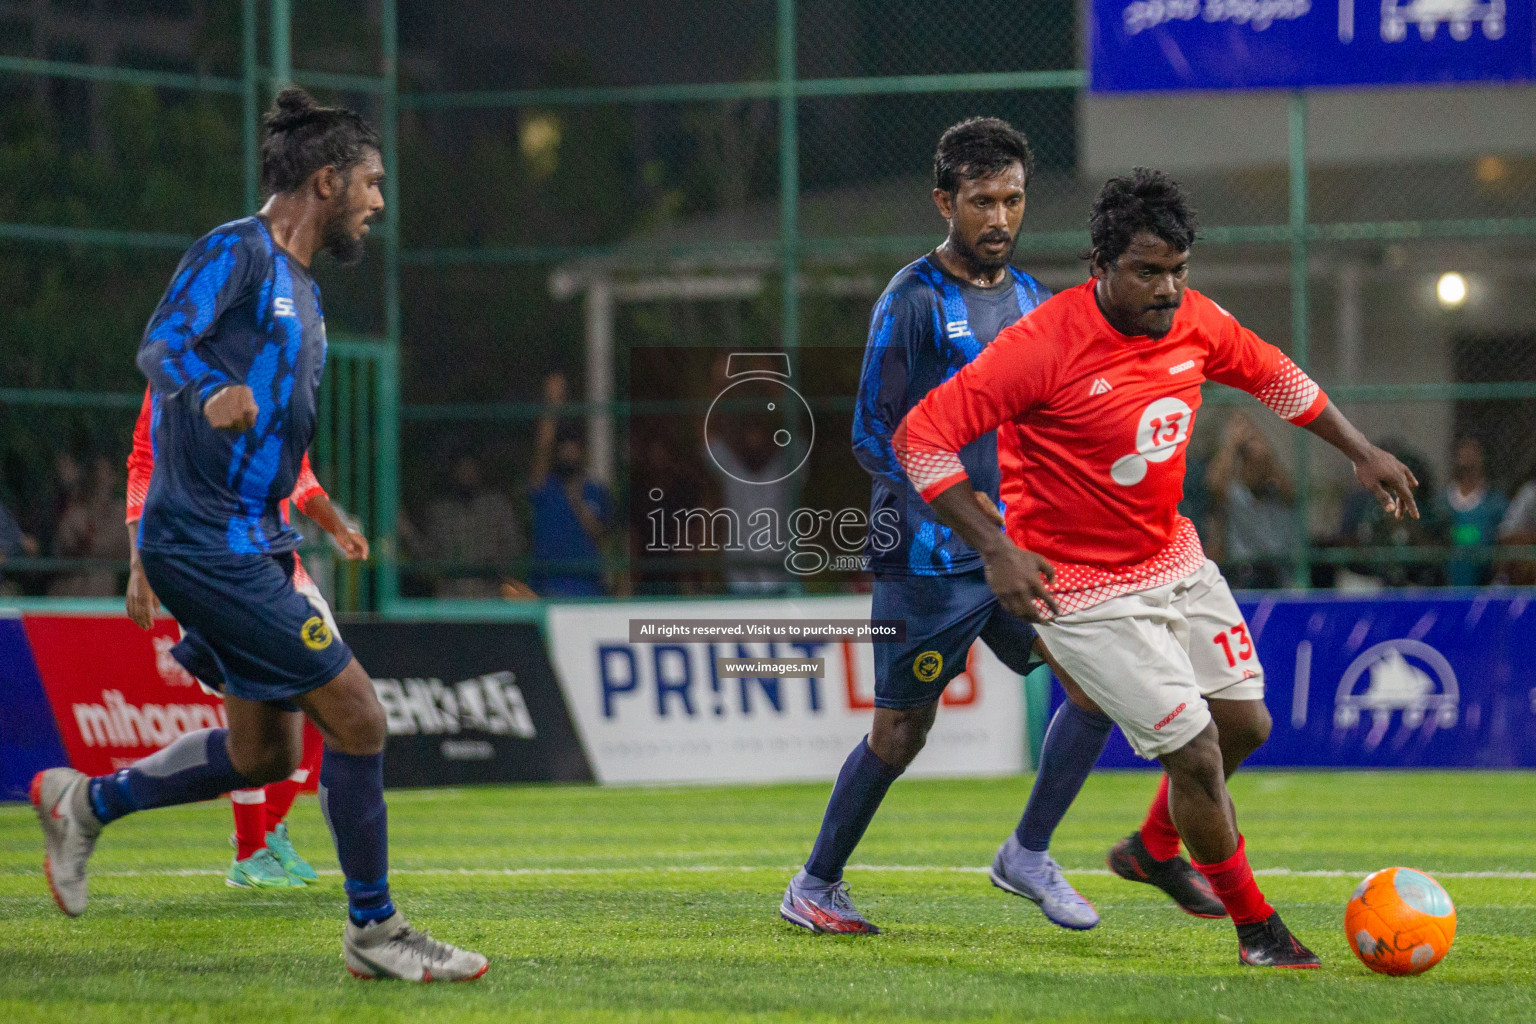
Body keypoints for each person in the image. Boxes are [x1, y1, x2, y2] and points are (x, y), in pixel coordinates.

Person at [893, 168, 1418, 967]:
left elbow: (1279, 380)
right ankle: (1259, 931)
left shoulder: (1196, 320)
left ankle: (1149, 850)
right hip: (1076, 588)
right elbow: (921, 438)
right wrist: (995, 545)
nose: (1168, 287)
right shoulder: (1039, 346)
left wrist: (1362, 450)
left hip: (1170, 554)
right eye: (1148, 270)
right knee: (1198, 752)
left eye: (1178, 269)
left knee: (1247, 725)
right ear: (1100, 264)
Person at [30, 88, 486, 982]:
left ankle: (85, 804)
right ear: (327, 181)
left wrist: (308, 508)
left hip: (255, 541)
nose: (379, 203)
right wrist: (207, 392)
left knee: (263, 754)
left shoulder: (303, 287)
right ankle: (374, 931)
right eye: (371, 183)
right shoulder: (237, 250)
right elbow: (163, 342)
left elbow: (279, 432)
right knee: (359, 717)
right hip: (203, 543)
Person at [780, 120, 1217, 937]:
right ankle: (815, 883)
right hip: (925, 559)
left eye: (1013, 199)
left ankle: (1028, 852)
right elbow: (872, 434)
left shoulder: (1035, 302)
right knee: (901, 733)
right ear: (945, 201)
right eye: (982, 200)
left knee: (1093, 683)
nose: (1000, 218)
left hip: (1019, 555)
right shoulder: (911, 300)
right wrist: (960, 510)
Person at [124, 383, 368, 889]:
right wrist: (139, 564)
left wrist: (334, 525)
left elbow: (298, 474)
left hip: (280, 564)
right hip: (210, 568)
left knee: (336, 693)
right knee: (257, 705)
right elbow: (144, 468)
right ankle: (250, 851)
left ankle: (271, 832)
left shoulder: (278, 366)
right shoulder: (177, 370)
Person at [528, 373, 611, 597]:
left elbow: (601, 535)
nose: (568, 452)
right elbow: (542, 450)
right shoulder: (546, 487)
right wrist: (552, 406)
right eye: (563, 447)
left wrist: (577, 500)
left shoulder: (595, 490)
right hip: (548, 587)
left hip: (588, 588)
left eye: (573, 447)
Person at [1204, 412, 1294, 589]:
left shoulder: (1275, 489)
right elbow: (1214, 485)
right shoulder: (1236, 493)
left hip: (1276, 570)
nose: (1257, 470)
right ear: (1243, 466)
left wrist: (1261, 446)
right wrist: (1231, 444)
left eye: (1260, 464)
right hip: (1242, 571)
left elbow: (1291, 493)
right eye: (1251, 464)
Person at [1435, 437, 1506, 587]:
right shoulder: (1442, 503)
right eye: (1464, 453)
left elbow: (1503, 542)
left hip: (1484, 583)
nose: (1468, 458)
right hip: (1445, 582)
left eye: (1474, 453)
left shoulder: (1495, 503)